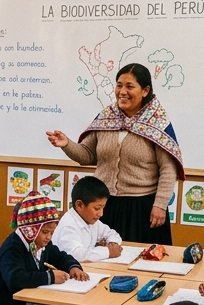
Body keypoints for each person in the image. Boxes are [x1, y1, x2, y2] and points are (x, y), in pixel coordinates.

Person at [45, 63, 184, 243]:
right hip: (105, 205)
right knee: (102, 258)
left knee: (139, 261)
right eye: (119, 85)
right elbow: (87, 154)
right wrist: (66, 144)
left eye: (130, 86)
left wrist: (160, 205)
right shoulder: (106, 117)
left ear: (145, 90)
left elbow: (168, 169)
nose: (122, 91)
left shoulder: (157, 121)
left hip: (141, 208)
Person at [52, 175, 123, 262]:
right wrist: (108, 251)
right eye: (97, 208)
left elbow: (111, 233)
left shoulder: (91, 221)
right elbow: (77, 255)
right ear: (80, 205)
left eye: (103, 208)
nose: (101, 214)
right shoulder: (68, 225)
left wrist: (113, 244)